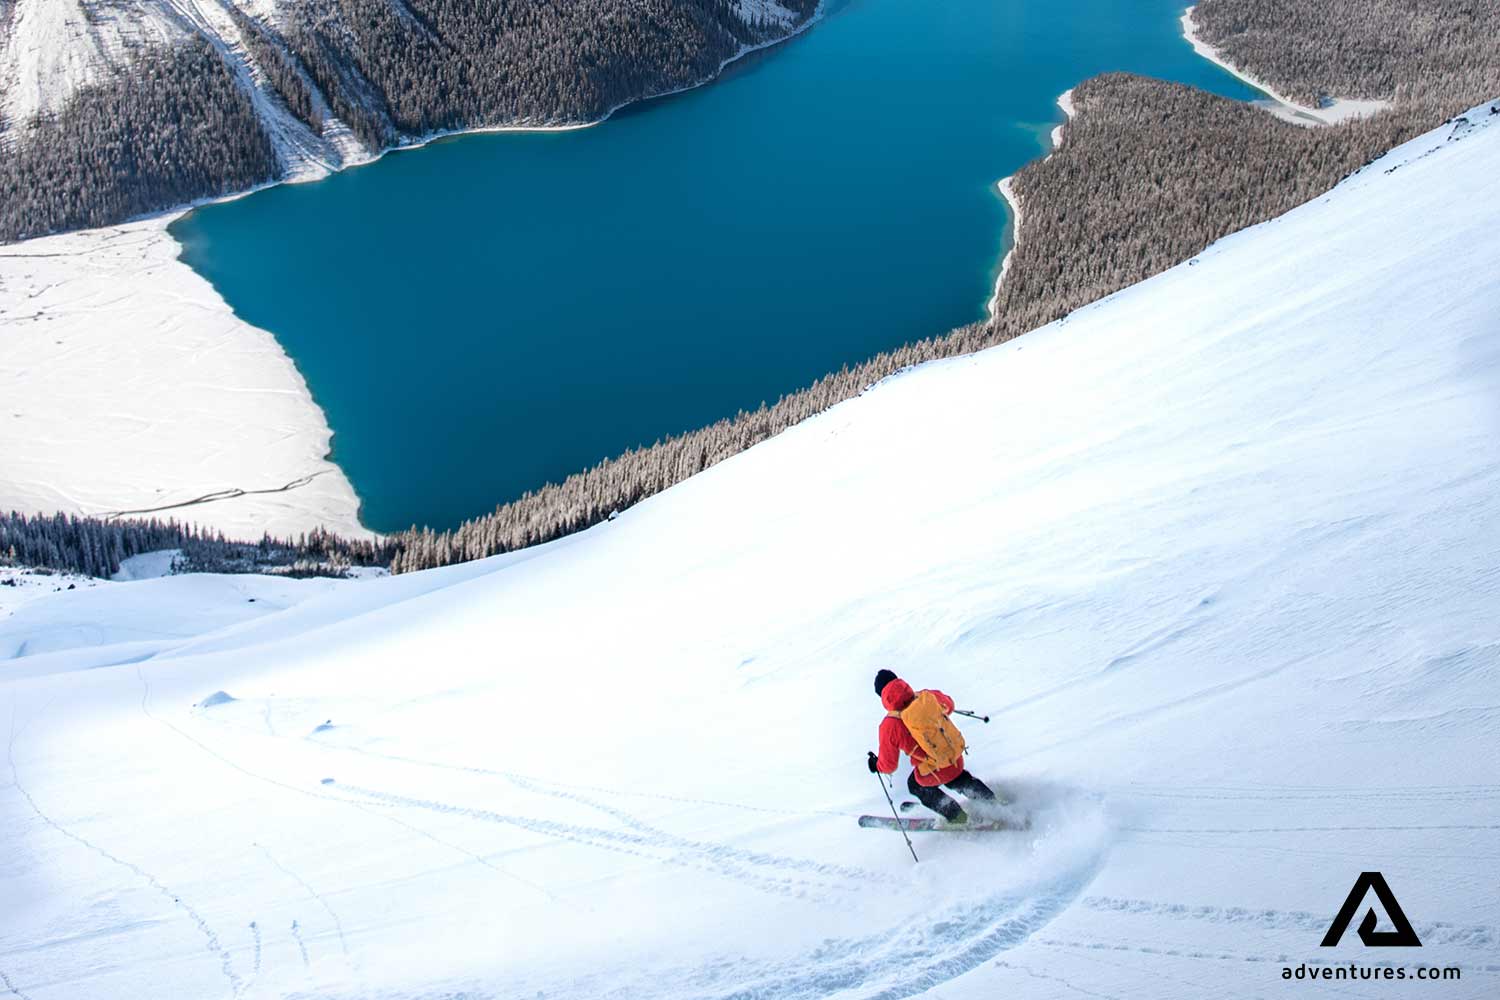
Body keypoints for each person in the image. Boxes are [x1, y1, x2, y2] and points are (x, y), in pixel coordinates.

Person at [867, 668, 996, 824]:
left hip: (934, 770)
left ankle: (957, 818)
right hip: (955, 756)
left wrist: (876, 765)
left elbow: (888, 765)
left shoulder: (889, 724)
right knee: (957, 778)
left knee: (915, 785)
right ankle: (993, 804)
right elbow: (949, 705)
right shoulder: (925, 696)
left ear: (882, 696)